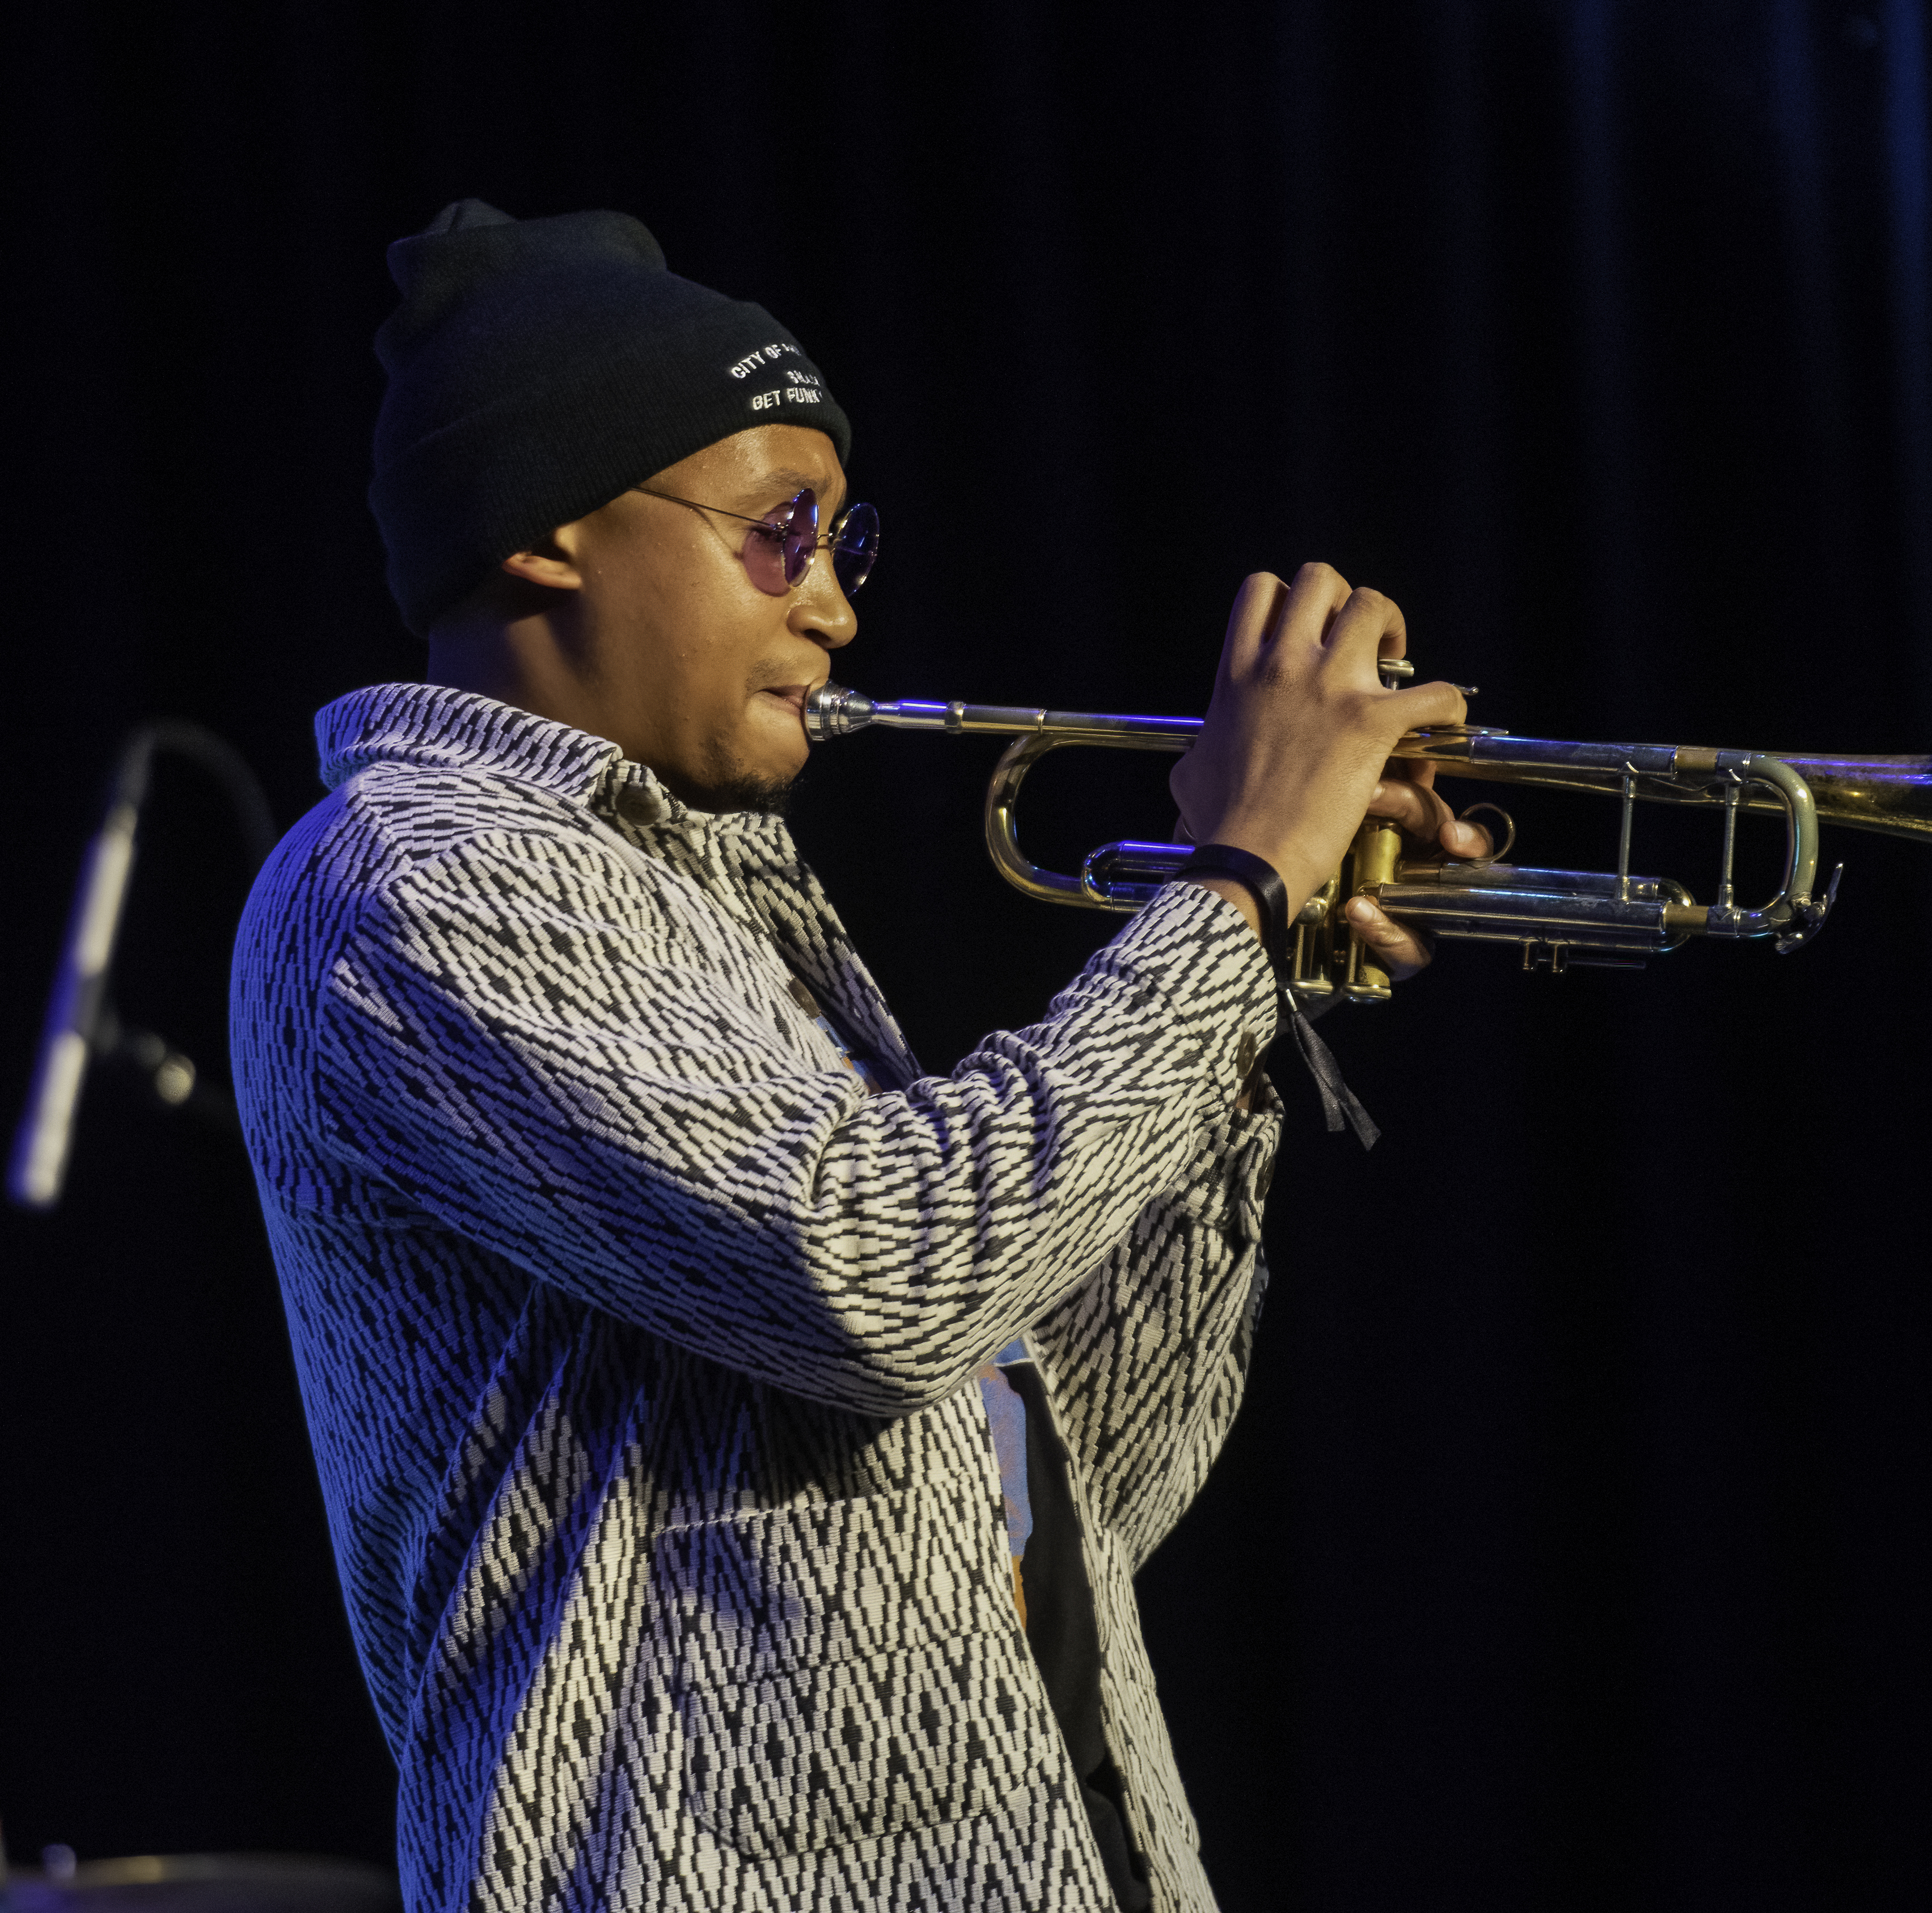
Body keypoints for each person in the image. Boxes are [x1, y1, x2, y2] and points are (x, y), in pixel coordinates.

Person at [230, 200, 1489, 1913]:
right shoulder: (419, 873)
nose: (832, 603)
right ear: (547, 532)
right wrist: (1239, 884)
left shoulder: (724, 888)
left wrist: (1244, 1030)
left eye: (845, 541)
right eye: (781, 530)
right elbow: (874, 1274)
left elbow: (1075, 1482)